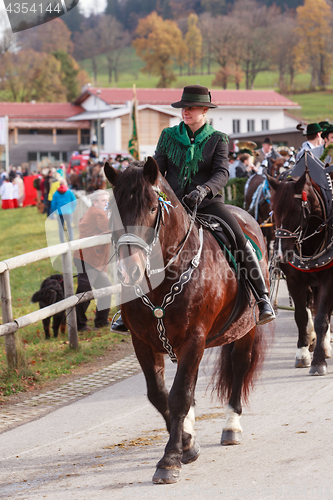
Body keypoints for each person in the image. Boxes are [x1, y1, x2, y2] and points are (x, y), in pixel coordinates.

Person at [73, 190, 112, 331]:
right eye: (103, 201)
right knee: (85, 292)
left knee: (106, 288)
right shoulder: (98, 213)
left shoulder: (93, 211)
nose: (106, 203)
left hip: (88, 257)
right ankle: (79, 324)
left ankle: (101, 321)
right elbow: (110, 227)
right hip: (88, 258)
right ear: (95, 202)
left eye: (107, 200)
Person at [50, 178, 77, 243]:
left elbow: (53, 204)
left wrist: (55, 211)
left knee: (61, 228)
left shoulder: (56, 193)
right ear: (66, 184)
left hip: (60, 212)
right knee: (69, 226)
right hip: (68, 212)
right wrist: (72, 209)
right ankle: (71, 240)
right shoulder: (70, 192)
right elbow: (74, 201)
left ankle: (62, 241)